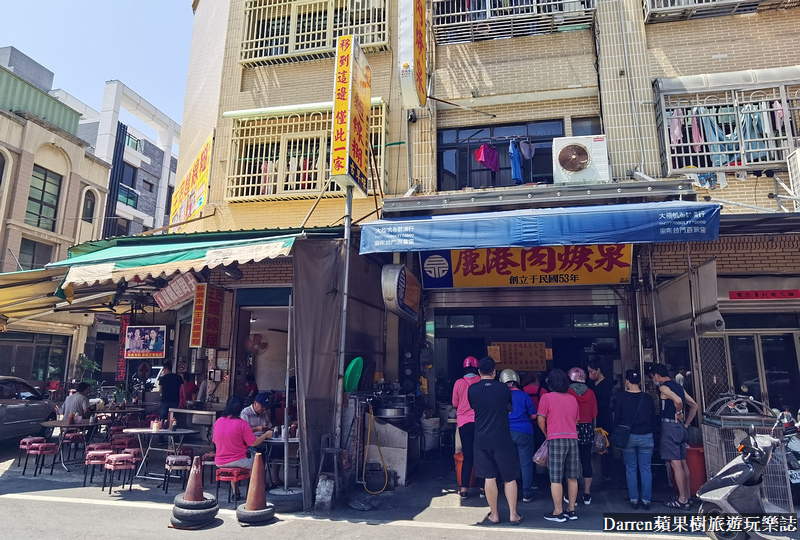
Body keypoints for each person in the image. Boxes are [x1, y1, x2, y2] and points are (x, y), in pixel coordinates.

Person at [468, 357, 522, 525]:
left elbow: (473, 407)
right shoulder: (503, 389)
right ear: (494, 372)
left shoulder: (472, 389)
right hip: (503, 439)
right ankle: (513, 514)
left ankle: (495, 514)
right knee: (509, 477)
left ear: (479, 372)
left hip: (482, 439)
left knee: (489, 478)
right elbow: (509, 409)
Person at [650, 363, 698, 510]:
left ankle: (682, 499)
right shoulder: (679, 386)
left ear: (657, 375)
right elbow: (694, 405)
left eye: (653, 377)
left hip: (670, 427)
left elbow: (677, 401)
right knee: (683, 463)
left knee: (675, 464)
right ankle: (687, 496)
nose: (654, 380)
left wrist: (678, 413)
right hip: (680, 428)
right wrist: (686, 424)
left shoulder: (664, 387)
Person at [537, 368, 580, 523]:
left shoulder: (546, 398)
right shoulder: (572, 399)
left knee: (555, 478)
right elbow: (576, 421)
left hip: (555, 438)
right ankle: (572, 509)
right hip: (573, 439)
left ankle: (558, 511)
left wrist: (546, 434)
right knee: (572, 476)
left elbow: (541, 420)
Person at [614, 369, 657, 510]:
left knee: (631, 469)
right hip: (646, 436)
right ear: (639, 382)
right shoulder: (648, 398)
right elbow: (653, 418)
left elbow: (617, 417)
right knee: (646, 469)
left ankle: (633, 500)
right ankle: (646, 501)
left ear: (627, 381)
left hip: (629, 437)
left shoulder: (621, 397)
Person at [213, 396, 273, 495]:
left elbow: (215, 441)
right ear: (240, 409)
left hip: (220, 461)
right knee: (259, 461)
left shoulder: (218, 421)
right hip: (239, 460)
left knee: (245, 457)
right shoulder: (242, 424)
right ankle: (254, 491)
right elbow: (253, 443)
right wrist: (266, 435)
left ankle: (235, 492)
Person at [500, 369, 537, 503]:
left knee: (509, 463)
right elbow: (533, 415)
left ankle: (510, 491)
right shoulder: (524, 395)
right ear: (516, 381)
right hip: (524, 432)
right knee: (526, 464)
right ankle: (527, 493)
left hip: (505, 432)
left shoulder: (501, 397)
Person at [452, 356, 484, 499]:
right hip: (480, 422)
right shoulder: (481, 382)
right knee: (482, 454)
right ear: (477, 369)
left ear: (464, 369)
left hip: (464, 423)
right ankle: (483, 488)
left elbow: (454, 403)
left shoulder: (459, 383)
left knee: (468, 455)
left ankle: (464, 489)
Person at [567, 367, 597, 505]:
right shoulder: (591, 392)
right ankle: (587, 494)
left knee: (572, 462)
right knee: (586, 460)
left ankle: (573, 494)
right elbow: (594, 413)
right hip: (588, 428)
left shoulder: (568, 392)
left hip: (573, 428)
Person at [587, 360, 613, 480]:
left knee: (605, 443)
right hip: (594, 417)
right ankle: (598, 470)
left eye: (591, 371)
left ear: (598, 370)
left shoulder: (607, 383)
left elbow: (605, 402)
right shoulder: (591, 383)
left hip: (604, 416)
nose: (590, 374)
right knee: (595, 443)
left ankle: (607, 471)